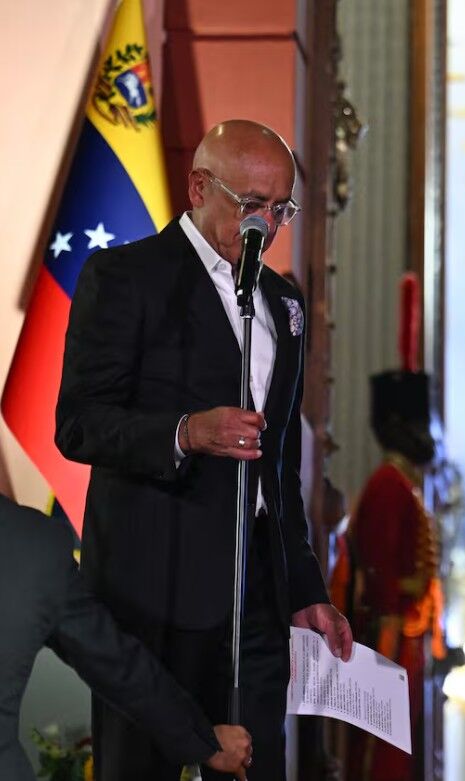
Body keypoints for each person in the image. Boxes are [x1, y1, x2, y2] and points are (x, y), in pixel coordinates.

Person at [55, 119, 353, 781]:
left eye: (281, 209)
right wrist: (185, 431)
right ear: (198, 188)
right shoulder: (127, 276)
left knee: (258, 765)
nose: (266, 223)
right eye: (252, 204)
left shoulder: (282, 302)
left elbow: (279, 468)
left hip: (255, 596)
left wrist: (303, 586)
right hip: (153, 588)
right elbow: (78, 424)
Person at [0, 494, 253, 781]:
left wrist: (202, 741)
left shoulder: (35, 545)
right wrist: (204, 741)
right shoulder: (34, 545)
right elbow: (117, 665)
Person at [332, 368, 444, 780]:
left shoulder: (401, 482)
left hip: (406, 633)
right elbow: (380, 569)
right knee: (382, 747)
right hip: (390, 633)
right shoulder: (388, 485)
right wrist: (391, 630)